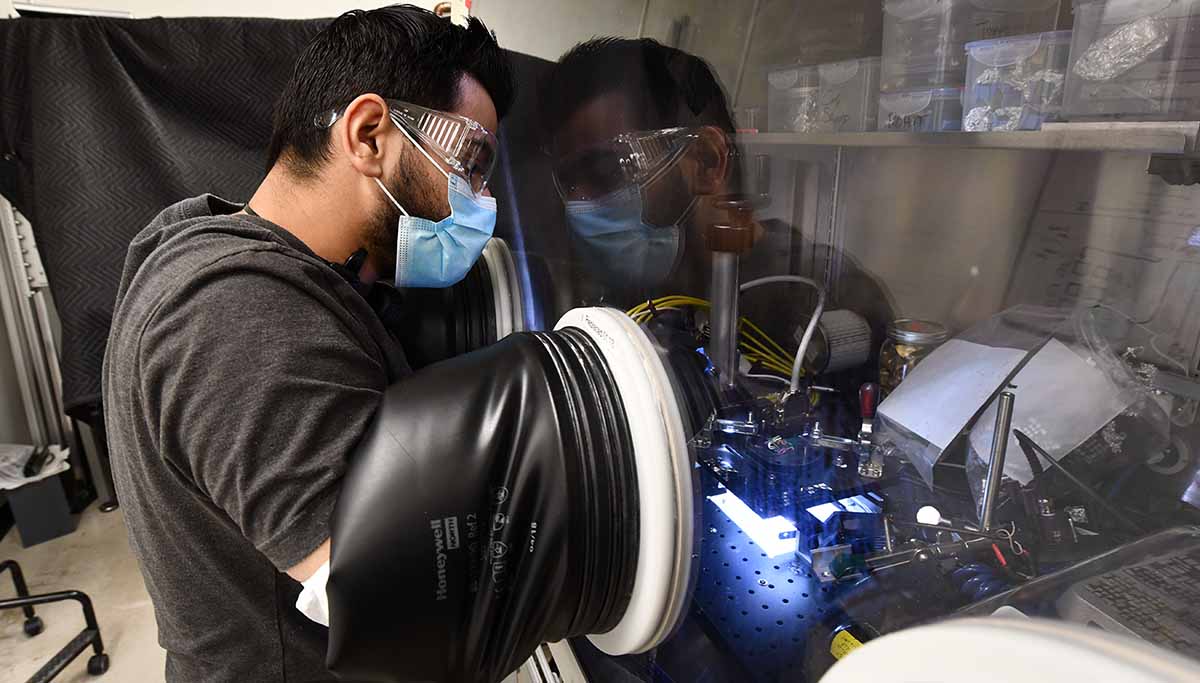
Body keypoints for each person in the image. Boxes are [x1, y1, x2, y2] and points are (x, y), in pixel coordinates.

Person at [101, 6, 514, 681]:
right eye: (471, 162)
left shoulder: (245, 261)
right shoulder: (238, 312)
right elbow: (408, 604)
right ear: (370, 134)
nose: (482, 198)